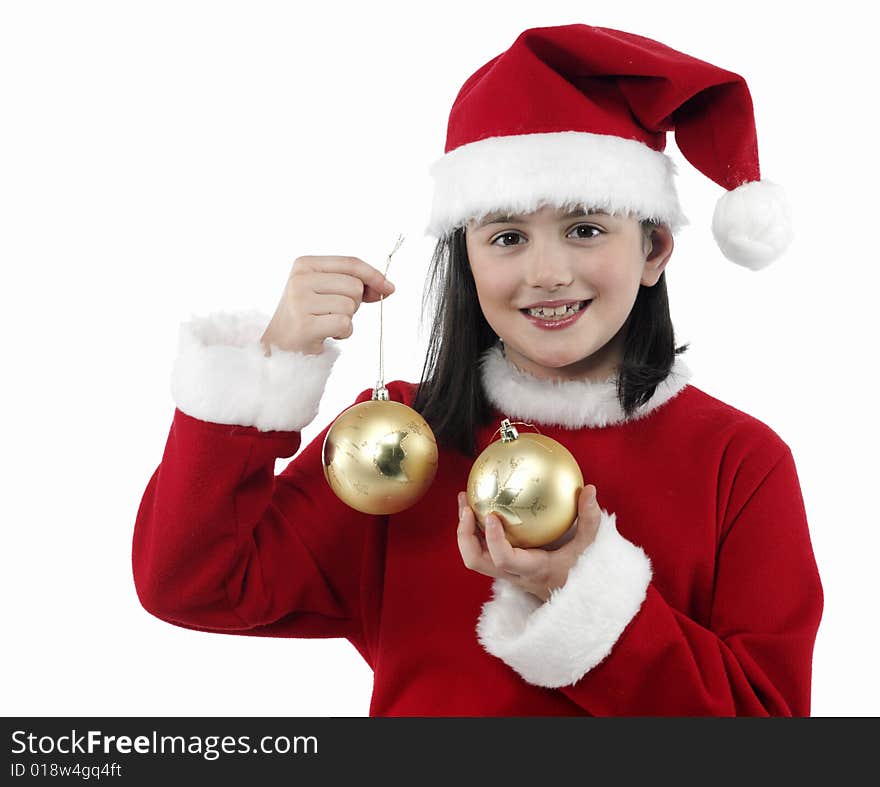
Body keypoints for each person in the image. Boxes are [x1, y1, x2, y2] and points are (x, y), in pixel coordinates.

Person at [132, 23, 823, 716]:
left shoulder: (739, 463)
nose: (547, 273)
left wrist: (588, 600)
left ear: (654, 250)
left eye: (586, 229)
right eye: (507, 236)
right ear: (466, 256)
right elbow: (194, 581)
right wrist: (272, 363)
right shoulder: (397, 444)